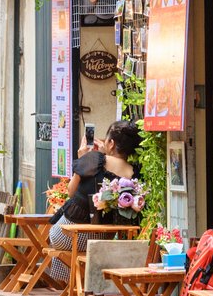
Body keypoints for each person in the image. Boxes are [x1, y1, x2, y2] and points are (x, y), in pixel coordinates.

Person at [44, 119, 143, 286]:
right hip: (102, 238)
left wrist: (83, 159)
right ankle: (79, 286)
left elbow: (70, 191)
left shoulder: (93, 159)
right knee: (80, 251)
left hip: (68, 236)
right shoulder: (134, 173)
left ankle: (74, 287)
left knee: (59, 241)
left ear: (111, 143)